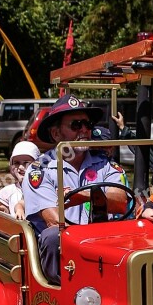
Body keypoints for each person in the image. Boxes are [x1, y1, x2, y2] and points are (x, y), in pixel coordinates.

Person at [22, 94, 128, 284]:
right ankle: (65, 289)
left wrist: (85, 195)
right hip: (64, 253)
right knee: (53, 236)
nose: (84, 131)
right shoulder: (40, 170)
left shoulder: (105, 164)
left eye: (88, 125)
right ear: (56, 134)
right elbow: (54, 221)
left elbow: (121, 202)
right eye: (76, 125)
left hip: (103, 242)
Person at [0, 141, 40, 219]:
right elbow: (8, 211)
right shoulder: (8, 191)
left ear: (37, 165)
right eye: (16, 163)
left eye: (26, 163)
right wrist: (3, 210)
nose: (20, 167)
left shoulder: (43, 189)